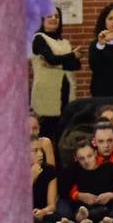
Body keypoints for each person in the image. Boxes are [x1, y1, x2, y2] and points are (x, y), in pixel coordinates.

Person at [31, 9, 80, 141]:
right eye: (49, 16)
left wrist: (56, 64)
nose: (53, 19)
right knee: (46, 134)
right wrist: (71, 56)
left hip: (65, 93)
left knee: (63, 134)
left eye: (57, 16)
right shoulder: (39, 39)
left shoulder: (64, 42)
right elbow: (51, 58)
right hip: (46, 93)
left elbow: (76, 65)